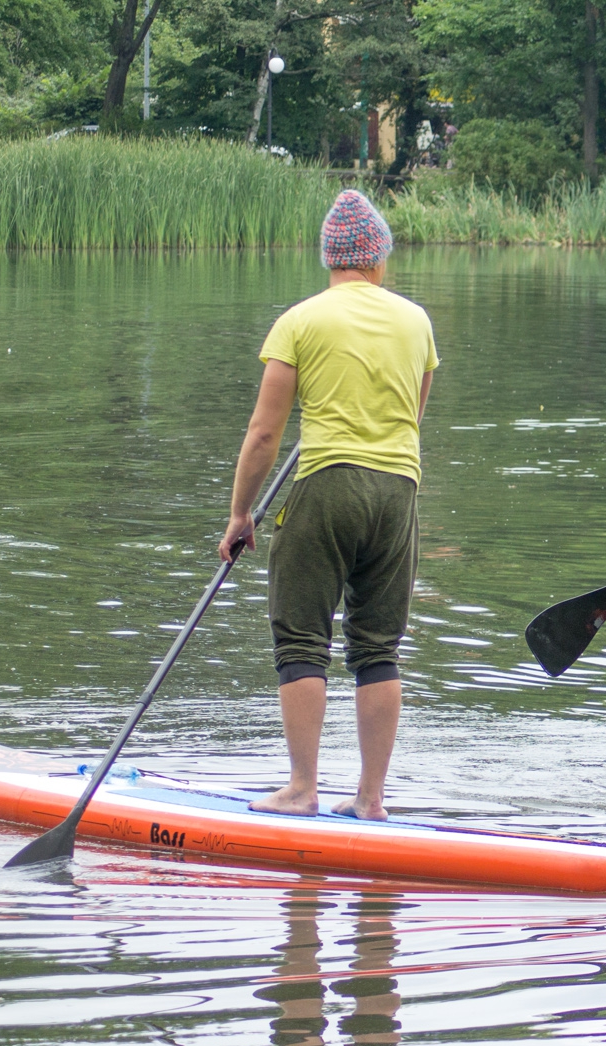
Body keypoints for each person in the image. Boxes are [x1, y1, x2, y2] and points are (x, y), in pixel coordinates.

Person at [220, 189, 438, 818]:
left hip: (327, 484)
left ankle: (303, 788)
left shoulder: (300, 321)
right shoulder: (417, 321)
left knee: (302, 641)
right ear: (378, 258)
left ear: (330, 258)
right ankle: (370, 798)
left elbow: (264, 435)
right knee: (378, 647)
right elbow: (411, 416)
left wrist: (241, 514)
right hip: (398, 492)